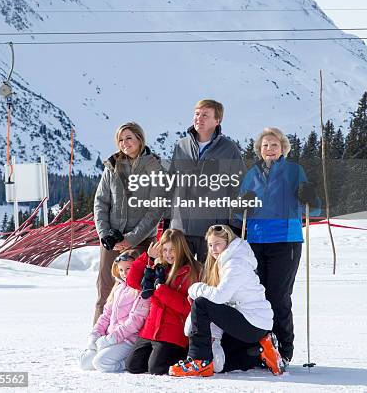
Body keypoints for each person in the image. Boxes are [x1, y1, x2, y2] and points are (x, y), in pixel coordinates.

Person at [236, 127, 320, 366]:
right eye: (265, 145)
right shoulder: (251, 174)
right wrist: (242, 206)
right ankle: (259, 347)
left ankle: (283, 349)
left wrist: (310, 197)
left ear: (283, 148)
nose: (269, 149)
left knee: (278, 296)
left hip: (285, 240)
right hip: (256, 240)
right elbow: (239, 214)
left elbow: (312, 208)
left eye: (274, 145)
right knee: (256, 296)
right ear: (259, 150)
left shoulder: (294, 171)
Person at [168, 224, 284, 378]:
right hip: (249, 325)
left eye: (217, 244)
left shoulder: (235, 264)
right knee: (219, 365)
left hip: (253, 322)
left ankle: (199, 361)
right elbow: (221, 305)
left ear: (228, 243)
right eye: (210, 245)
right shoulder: (224, 263)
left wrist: (194, 288)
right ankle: (260, 353)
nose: (213, 249)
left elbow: (219, 298)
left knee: (201, 303)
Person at [93, 122, 165, 322]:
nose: (125, 143)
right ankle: (97, 336)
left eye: (129, 138)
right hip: (112, 240)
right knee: (106, 289)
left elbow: (156, 208)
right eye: (121, 139)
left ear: (140, 139)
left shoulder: (154, 167)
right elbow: (101, 202)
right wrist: (105, 234)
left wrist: (132, 239)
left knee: (138, 290)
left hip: (141, 241)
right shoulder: (112, 166)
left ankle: (134, 342)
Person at [169, 99, 246, 261]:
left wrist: (234, 225)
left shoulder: (228, 149)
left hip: (212, 230)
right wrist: (168, 220)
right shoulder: (181, 146)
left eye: (205, 115)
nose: (199, 118)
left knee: (209, 280)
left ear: (217, 121)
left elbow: (239, 189)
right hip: (181, 229)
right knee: (181, 280)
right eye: (197, 114)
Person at [124, 229, 201, 375]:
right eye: (164, 249)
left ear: (181, 248)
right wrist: (148, 257)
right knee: (133, 366)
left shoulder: (191, 271)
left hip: (173, 331)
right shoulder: (158, 268)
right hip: (151, 329)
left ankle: (186, 355)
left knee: (156, 369)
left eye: (172, 249)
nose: (168, 254)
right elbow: (132, 282)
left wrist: (161, 290)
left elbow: (188, 308)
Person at [80, 250, 150, 372]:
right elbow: (106, 315)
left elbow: (135, 322)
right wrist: (95, 334)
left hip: (128, 340)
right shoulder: (118, 288)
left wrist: (112, 339)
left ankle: (127, 363)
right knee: (85, 363)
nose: (124, 273)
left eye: (128, 268)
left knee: (101, 363)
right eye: (121, 270)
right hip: (110, 337)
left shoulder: (141, 291)